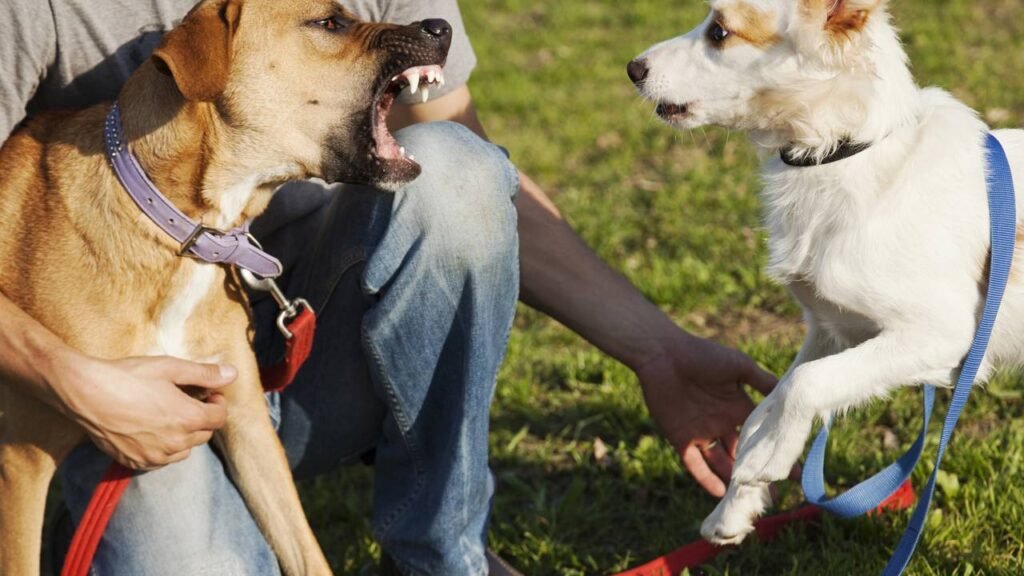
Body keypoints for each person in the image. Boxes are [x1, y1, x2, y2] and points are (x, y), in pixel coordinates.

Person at [0, 1, 777, 574]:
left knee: (456, 170)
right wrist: (76, 383)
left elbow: (477, 188)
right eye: (331, 24)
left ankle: (441, 555)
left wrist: (657, 350)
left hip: (312, 340)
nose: (355, 29)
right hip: (111, 387)